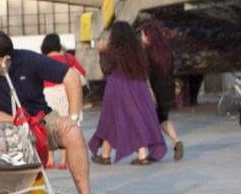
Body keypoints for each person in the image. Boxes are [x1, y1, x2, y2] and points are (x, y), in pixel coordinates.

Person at [0, 30, 109, 194]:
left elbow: (71, 76)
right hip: (2, 127)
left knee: (73, 133)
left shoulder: (27, 60)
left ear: (0, 60)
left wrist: (72, 116)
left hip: (40, 119)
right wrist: (19, 122)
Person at [88, 21, 167, 166]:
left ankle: (107, 156)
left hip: (117, 88)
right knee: (137, 120)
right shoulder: (138, 50)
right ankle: (136, 155)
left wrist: (102, 52)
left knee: (110, 120)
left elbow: (106, 69)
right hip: (138, 87)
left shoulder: (113, 51)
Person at [40, 33, 87, 170]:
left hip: (48, 93)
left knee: (49, 125)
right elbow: (82, 72)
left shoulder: (42, 60)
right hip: (66, 92)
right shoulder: (68, 58)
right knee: (66, 126)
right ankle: (62, 162)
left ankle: (50, 160)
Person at [141, 21, 184, 160]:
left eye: (143, 34)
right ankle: (176, 141)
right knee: (163, 119)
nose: (141, 37)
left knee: (150, 121)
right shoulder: (167, 50)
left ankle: (153, 152)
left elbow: (145, 73)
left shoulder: (146, 52)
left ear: (149, 36)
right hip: (168, 90)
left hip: (155, 91)